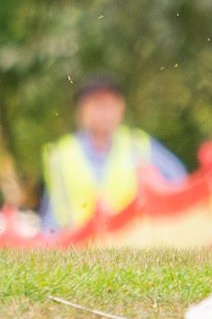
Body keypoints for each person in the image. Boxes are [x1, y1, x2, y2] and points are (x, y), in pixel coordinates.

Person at [38, 74, 187, 233]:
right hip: (80, 243)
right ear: (81, 110)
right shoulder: (62, 154)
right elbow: (52, 219)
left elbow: (180, 185)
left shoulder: (138, 144)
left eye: (110, 105)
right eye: (97, 105)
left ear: (121, 107)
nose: (104, 112)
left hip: (134, 240)